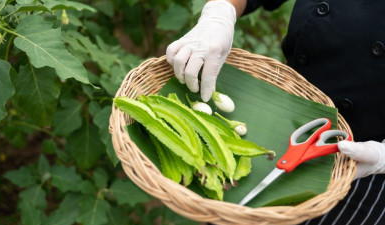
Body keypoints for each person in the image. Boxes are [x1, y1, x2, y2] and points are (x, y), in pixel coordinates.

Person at [165, 0, 385, 224]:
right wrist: (220, 12)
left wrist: (382, 157)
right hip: (283, 111)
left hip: (363, 166)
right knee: (230, 212)